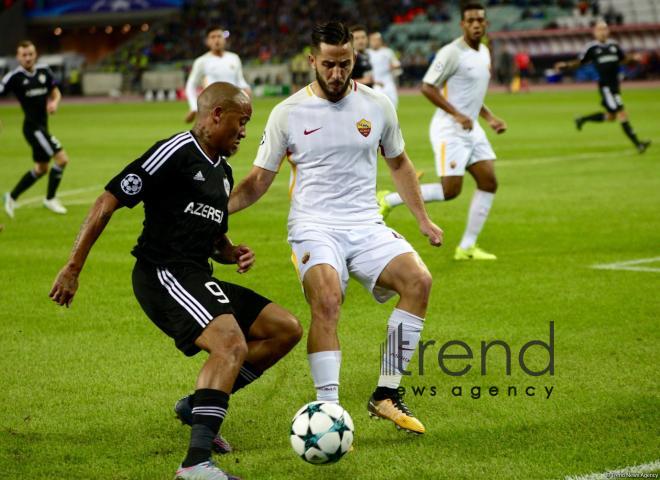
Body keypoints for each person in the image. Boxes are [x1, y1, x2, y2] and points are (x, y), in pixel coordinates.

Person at [50, 82, 302, 480]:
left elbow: (214, 238)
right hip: (161, 271)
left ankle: (196, 406)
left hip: (195, 272)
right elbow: (107, 201)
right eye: (241, 122)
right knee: (231, 344)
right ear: (217, 114)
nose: (244, 132)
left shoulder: (223, 172)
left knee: (284, 329)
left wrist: (231, 252)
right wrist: (73, 267)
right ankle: (195, 463)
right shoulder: (175, 152)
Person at [228, 21, 443, 435]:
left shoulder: (378, 104)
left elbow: (398, 162)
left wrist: (422, 218)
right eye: (328, 64)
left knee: (419, 281)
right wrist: (216, 212)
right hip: (313, 227)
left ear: (353, 59)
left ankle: (385, 393)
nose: (336, 73)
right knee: (327, 299)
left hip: (366, 224)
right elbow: (257, 181)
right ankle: (328, 411)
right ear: (312, 60)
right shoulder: (287, 113)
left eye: (344, 64)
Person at [378, 2, 506, 261]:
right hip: (449, 129)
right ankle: (388, 199)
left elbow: (471, 95)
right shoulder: (451, 53)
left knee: (489, 182)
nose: (476, 24)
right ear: (462, 24)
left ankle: (467, 247)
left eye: (480, 20)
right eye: (471, 21)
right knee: (451, 191)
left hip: (472, 128)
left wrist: (489, 117)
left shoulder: (484, 52)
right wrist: (456, 114)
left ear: (486, 23)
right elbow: (427, 87)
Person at [555, 20, 650, 153]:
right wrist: (565, 65)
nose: (602, 32)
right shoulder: (592, 48)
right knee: (622, 113)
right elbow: (580, 62)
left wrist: (634, 58)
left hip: (615, 86)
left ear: (608, 31)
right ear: (594, 32)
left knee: (611, 117)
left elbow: (623, 59)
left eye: (604, 29)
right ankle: (638, 144)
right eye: (599, 29)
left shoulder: (614, 46)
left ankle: (582, 119)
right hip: (606, 87)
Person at [1, 40, 70, 218]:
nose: (28, 58)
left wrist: (54, 102)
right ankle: (50, 199)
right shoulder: (14, 77)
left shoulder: (44, 71)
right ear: (18, 57)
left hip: (43, 126)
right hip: (32, 128)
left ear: (35, 54)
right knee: (61, 159)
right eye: (24, 55)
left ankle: (11, 196)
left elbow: (55, 91)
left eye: (30, 54)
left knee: (41, 169)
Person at [184, 26, 251, 124]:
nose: (216, 40)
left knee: (233, 137)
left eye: (219, 36)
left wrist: (246, 90)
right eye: (213, 37)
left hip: (233, 106)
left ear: (224, 40)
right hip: (212, 107)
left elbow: (240, 81)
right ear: (207, 41)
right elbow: (190, 86)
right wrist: (194, 107)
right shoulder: (201, 61)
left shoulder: (234, 58)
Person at [367, 32, 401, 108]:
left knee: (393, 104)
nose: (375, 42)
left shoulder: (387, 52)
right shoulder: (367, 53)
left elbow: (397, 64)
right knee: (377, 105)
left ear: (381, 41)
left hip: (388, 82)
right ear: (369, 41)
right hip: (375, 83)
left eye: (377, 40)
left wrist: (394, 66)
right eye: (373, 40)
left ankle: (393, 120)